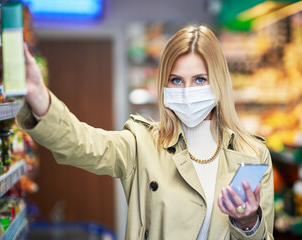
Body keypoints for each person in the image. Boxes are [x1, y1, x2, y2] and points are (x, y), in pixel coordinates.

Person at [17, 25, 274, 240]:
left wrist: (248, 223)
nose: (186, 91)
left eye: (199, 79)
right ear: (164, 84)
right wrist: (39, 96)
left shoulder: (253, 155)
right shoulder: (142, 144)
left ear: (218, 82)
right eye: (176, 80)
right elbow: (80, 143)